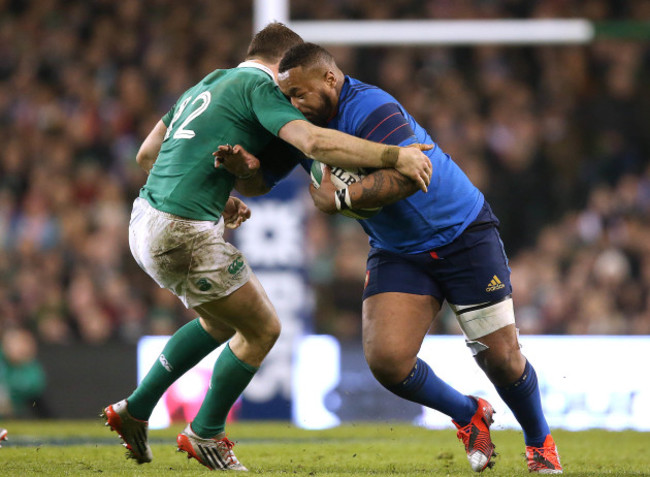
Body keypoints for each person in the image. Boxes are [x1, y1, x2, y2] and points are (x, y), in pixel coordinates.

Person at [215, 42, 562, 474]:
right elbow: (260, 183)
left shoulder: (372, 107)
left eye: (300, 93)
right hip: (398, 250)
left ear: (329, 78)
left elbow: (411, 176)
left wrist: (339, 200)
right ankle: (468, 414)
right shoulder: (301, 126)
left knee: (501, 358)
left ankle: (539, 443)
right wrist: (244, 169)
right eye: (288, 97)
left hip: (463, 235)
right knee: (387, 361)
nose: (294, 104)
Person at [102, 23, 433, 471]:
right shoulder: (259, 85)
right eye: (290, 86)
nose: (291, 96)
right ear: (281, 67)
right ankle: (206, 433)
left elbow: (147, 156)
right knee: (263, 330)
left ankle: (135, 409)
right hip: (182, 230)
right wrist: (396, 155)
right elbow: (313, 141)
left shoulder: (209, 82)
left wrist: (219, 193)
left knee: (220, 323)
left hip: (144, 221)